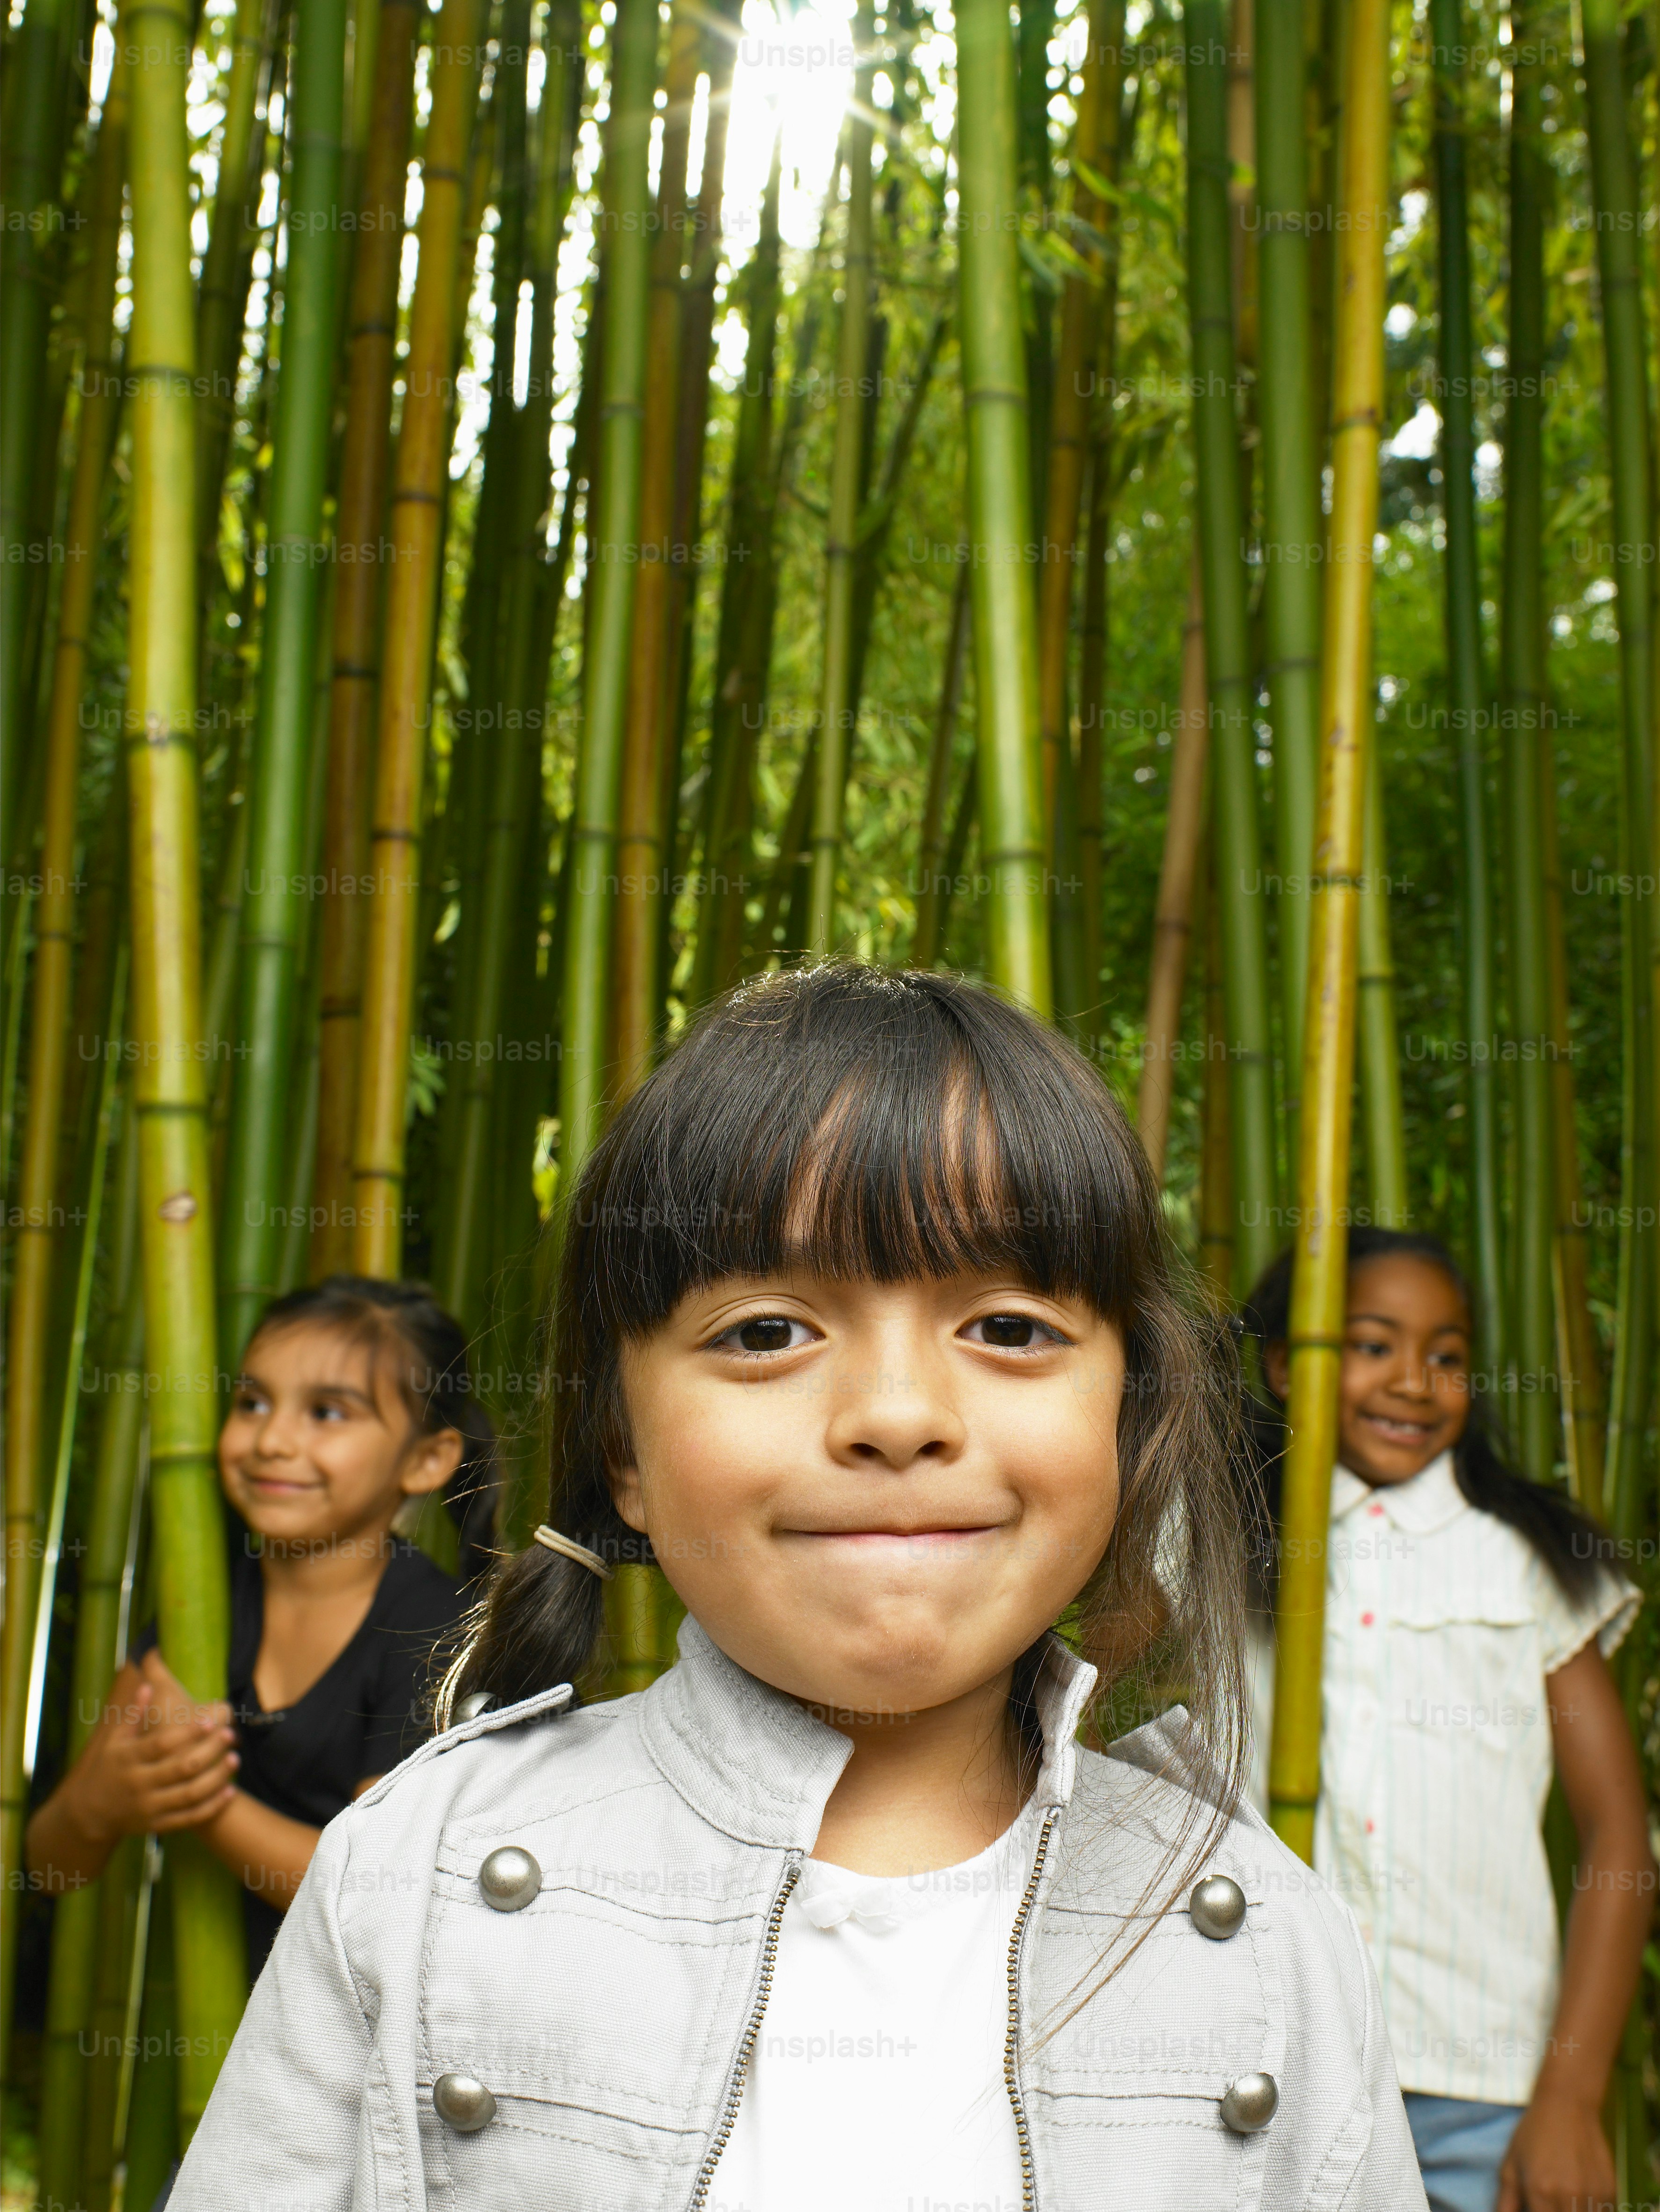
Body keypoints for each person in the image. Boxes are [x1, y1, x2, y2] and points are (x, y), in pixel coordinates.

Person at [168, 965, 1424, 2212]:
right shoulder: (414, 1877)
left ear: (1125, 1420)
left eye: (1009, 1325)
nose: (895, 1415)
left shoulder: (1265, 1943)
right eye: (766, 1330)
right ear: (623, 1452)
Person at [1239, 1228, 1651, 2212]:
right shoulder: (1218, 1535)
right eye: (1373, 1345)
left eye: (1448, 1354)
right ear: (1284, 1367)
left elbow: (1618, 1832)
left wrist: (1570, 2092)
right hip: (1261, 2064)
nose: (1415, 1382)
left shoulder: (1526, 1558)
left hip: (1482, 2084)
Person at [26, 1276, 493, 1976]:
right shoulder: (202, 1606)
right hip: (210, 2041)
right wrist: (101, 1802)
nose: (272, 1439)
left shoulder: (433, 1630)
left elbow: (368, 1896)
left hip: (361, 2047)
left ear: (427, 1458)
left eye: (328, 1413)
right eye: (252, 1402)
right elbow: (53, 1865)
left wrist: (202, 1799)